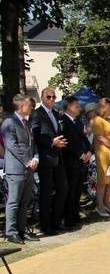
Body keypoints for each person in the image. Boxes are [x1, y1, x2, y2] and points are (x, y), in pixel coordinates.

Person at [29, 88, 70, 235]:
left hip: (58, 157)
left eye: (54, 97)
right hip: (46, 157)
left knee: (63, 187)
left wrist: (60, 142)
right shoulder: (36, 114)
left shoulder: (56, 113)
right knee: (46, 193)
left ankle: (56, 221)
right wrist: (51, 142)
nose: (52, 99)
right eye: (49, 97)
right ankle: (46, 225)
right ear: (42, 98)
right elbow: (35, 136)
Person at [3, 94, 40, 244]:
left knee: (25, 201)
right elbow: (12, 145)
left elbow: (32, 144)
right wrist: (27, 161)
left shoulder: (28, 123)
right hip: (16, 169)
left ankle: (21, 230)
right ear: (20, 107)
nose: (31, 107)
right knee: (13, 201)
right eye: (28, 104)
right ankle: (10, 232)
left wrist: (36, 158)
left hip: (29, 168)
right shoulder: (9, 123)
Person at [59, 96, 92, 228]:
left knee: (78, 189)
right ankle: (68, 217)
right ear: (69, 107)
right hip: (71, 161)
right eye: (77, 106)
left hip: (81, 161)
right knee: (71, 190)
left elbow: (84, 139)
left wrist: (89, 151)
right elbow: (68, 142)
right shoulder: (63, 122)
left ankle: (75, 213)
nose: (79, 108)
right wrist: (80, 154)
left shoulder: (77, 122)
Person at [91, 98, 110, 217]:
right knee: (103, 180)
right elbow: (99, 137)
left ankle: (106, 202)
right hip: (103, 152)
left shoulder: (109, 120)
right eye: (109, 110)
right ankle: (99, 205)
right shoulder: (97, 120)